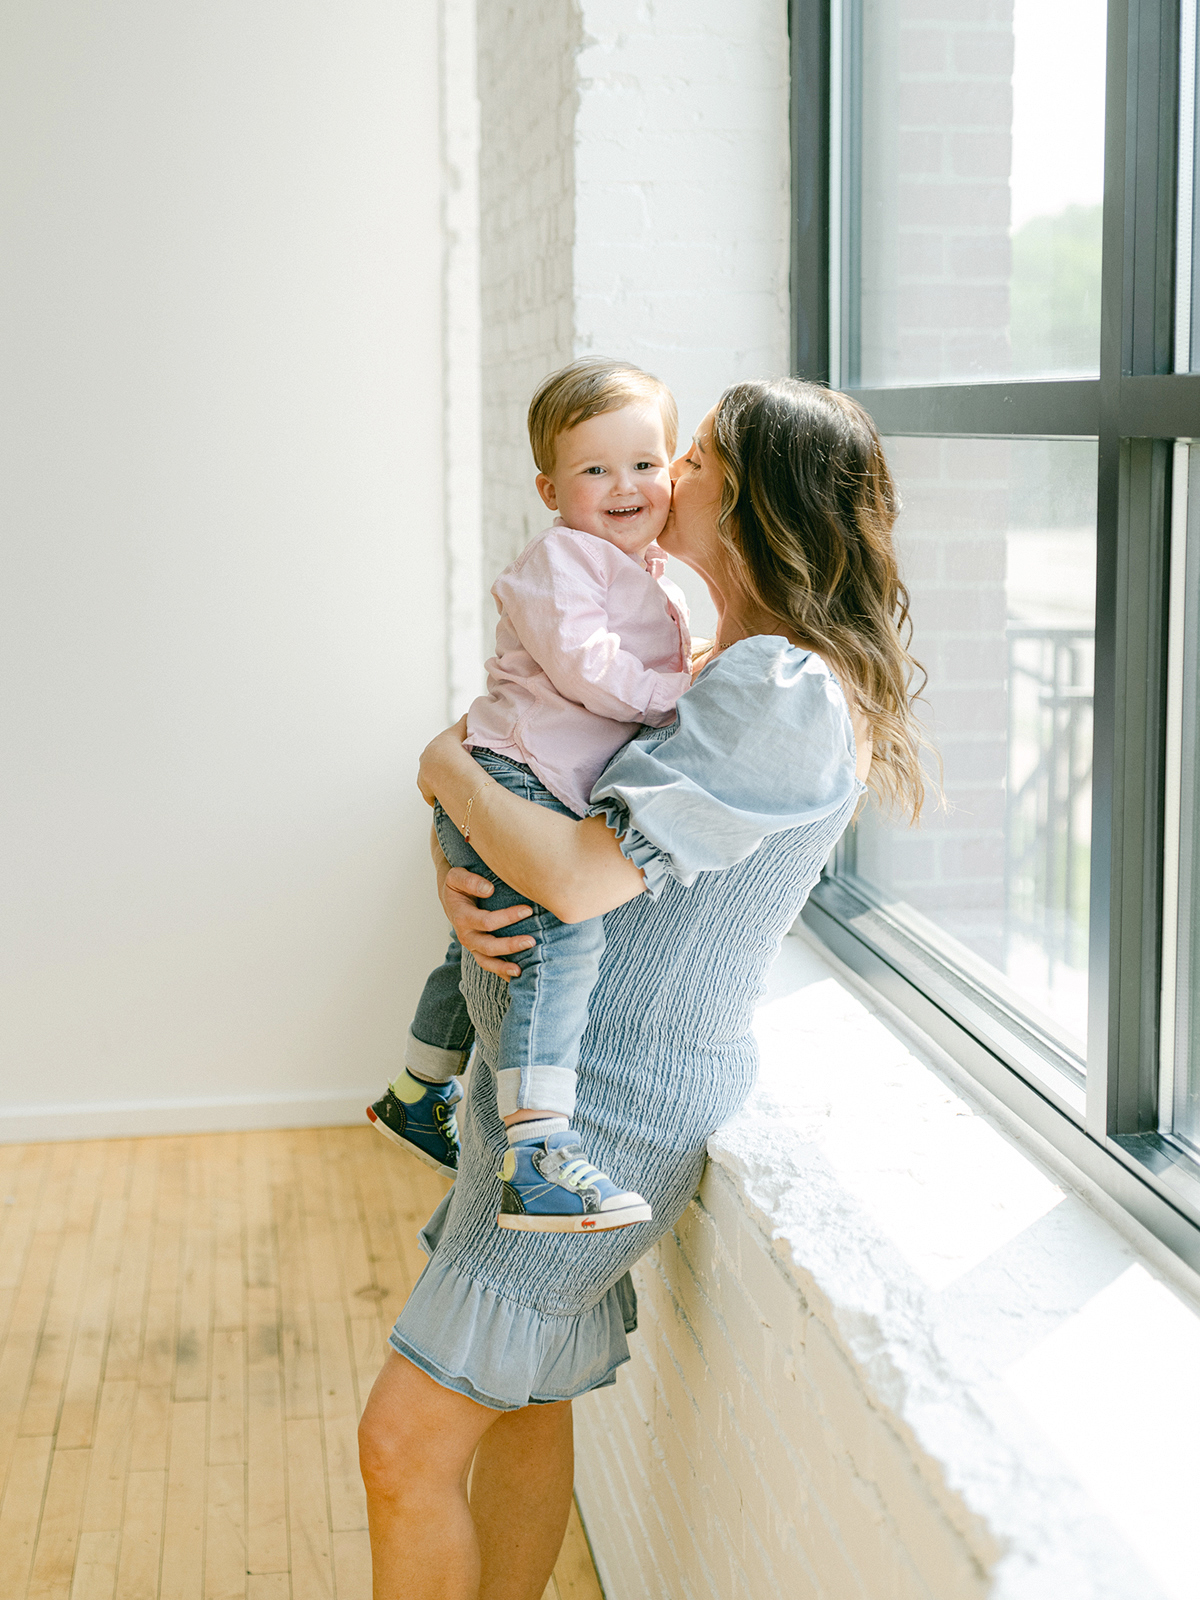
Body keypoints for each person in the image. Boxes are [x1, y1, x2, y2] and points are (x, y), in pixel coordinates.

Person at [358, 378, 927, 1600]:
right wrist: (453, 857)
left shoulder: (783, 695)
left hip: (603, 1110)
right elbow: (542, 800)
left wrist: (438, 765)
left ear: (756, 500)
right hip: (551, 1083)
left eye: (702, 459)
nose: (670, 474)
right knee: (521, 1403)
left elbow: (566, 870)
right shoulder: (729, 663)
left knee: (400, 1447)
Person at [366, 356, 693, 1232]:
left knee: (485, 940)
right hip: (519, 772)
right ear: (552, 488)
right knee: (558, 939)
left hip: (531, 771)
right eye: (595, 470)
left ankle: (415, 1087)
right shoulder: (565, 559)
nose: (624, 486)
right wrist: (679, 696)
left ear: (675, 467)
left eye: (644, 465)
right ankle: (539, 1154)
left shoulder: (647, 571)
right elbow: (589, 671)